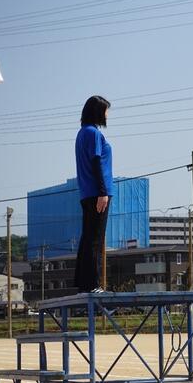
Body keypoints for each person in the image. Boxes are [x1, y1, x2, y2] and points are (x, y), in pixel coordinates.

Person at [74, 96, 113, 293]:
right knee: (96, 239)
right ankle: (94, 284)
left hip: (86, 193)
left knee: (88, 238)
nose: (107, 114)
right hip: (98, 192)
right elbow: (96, 161)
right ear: (98, 112)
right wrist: (103, 192)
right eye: (106, 110)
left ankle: (83, 284)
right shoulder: (94, 133)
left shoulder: (82, 133)